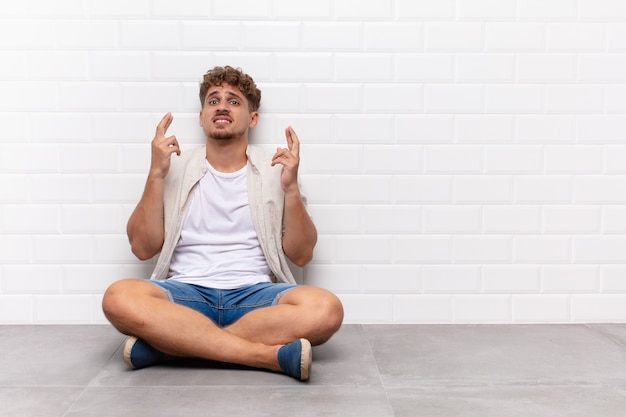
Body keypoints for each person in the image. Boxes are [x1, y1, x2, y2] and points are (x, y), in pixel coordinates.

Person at [102, 66, 344, 381]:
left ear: (252, 118)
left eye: (233, 101)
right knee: (117, 297)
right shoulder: (173, 167)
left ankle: (172, 346)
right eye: (213, 100)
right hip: (185, 293)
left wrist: (291, 189)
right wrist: (155, 173)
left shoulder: (276, 170)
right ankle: (264, 356)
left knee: (327, 309)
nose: (222, 106)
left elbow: (301, 255)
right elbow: (142, 248)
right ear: (202, 117)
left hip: (254, 296)